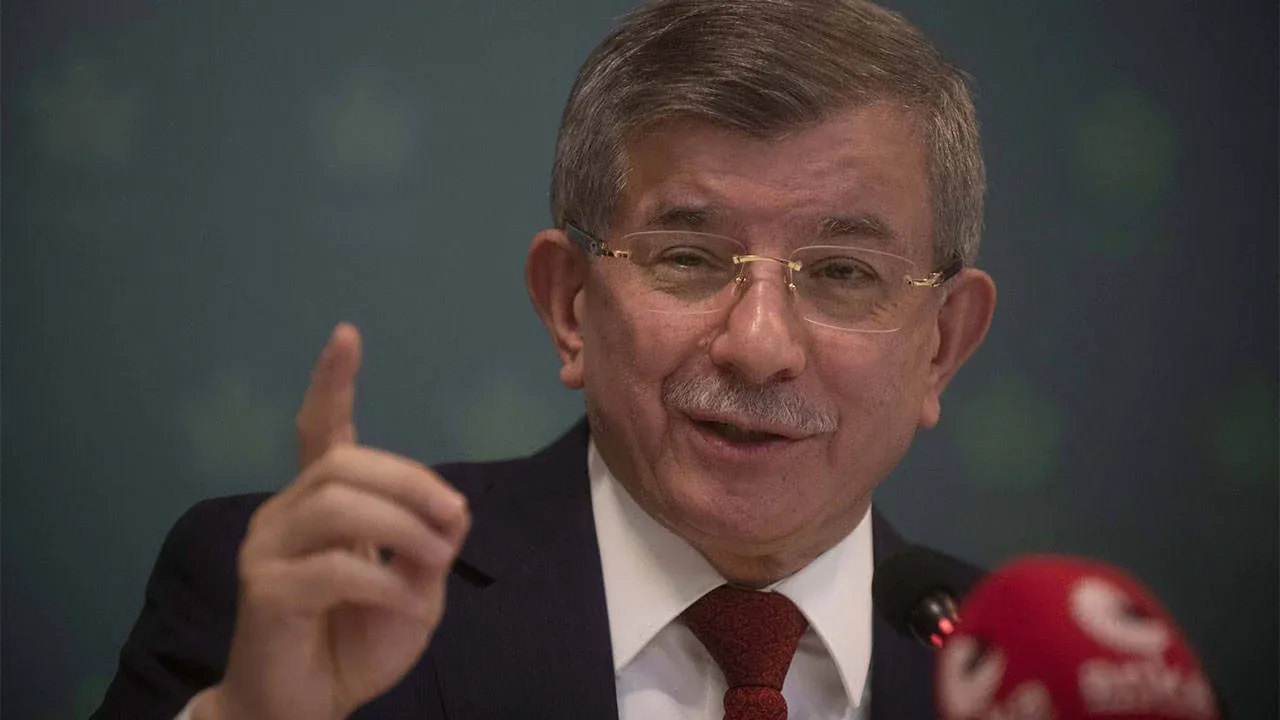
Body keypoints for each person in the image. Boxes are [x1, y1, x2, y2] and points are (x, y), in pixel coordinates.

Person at [92, 0, 997, 718]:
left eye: (842, 273)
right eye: (688, 257)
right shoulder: (302, 605)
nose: (759, 346)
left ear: (943, 345)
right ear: (570, 305)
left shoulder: (1030, 674)